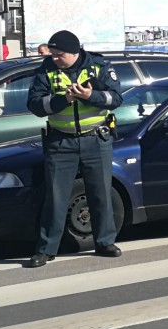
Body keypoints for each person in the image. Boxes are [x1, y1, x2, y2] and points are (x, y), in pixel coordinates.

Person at [25, 30, 124, 267]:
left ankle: (105, 242)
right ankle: (47, 249)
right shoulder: (46, 70)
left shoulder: (99, 66)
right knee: (56, 198)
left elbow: (116, 98)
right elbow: (35, 105)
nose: (54, 58)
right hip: (61, 141)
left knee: (100, 194)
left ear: (73, 52)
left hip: (96, 139)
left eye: (58, 54)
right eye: (52, 54)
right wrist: (64, 99)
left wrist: (90, 95)